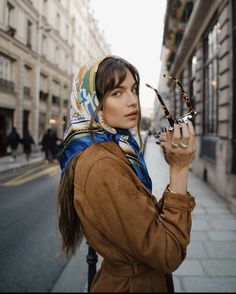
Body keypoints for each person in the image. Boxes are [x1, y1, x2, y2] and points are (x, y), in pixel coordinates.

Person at [57, 56, 196, 292]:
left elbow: (146, 224)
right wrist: (179, 169)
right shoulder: (102, 164)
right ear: (92, 101)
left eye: (133, 90)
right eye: (117, 93)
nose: (133, 101)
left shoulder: (118, 149)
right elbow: (168, 253)